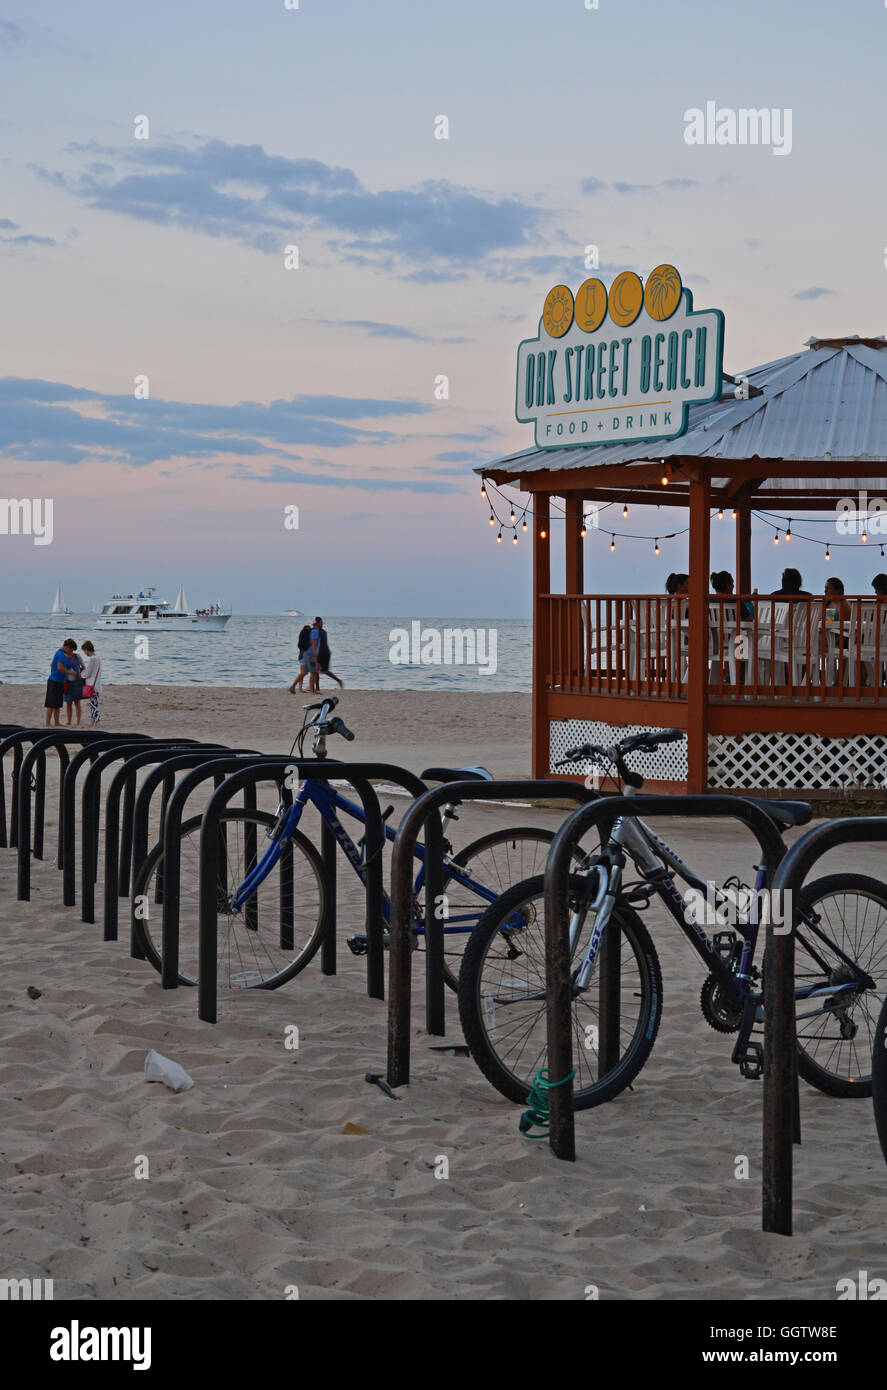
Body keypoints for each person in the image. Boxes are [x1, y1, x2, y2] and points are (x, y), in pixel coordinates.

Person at [44, 639, 78, 727]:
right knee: (51, 704)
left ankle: (56, 722)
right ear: (67, 647)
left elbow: (51, 664)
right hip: (54, 681)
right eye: (71, 650)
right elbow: (59, 667)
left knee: (57, 704)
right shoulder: (61, 654)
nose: (71, 652)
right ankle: (48, 723)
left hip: (59, 681)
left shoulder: (59, 653)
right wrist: (70, 672)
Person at [63, 642, 85, 726]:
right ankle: (69, 721)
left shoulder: (77, 656)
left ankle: (78, 721)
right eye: (71, 649)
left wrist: (80, 673)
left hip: (76, 682)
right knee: (68, 702)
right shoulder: (63, 657)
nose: (71, 651)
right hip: (67, 682)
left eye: (73, 649)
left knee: (77, 702)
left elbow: (84, 667)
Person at [81, 640, 102, 725]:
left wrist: (81, 673)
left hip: (91, 685)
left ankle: (95, 721)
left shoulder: (92, 659)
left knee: (93, 704)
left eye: (84, 651)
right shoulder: (97, 658)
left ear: (87, 649)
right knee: (95, 703)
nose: (85, 653)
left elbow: (87, 674)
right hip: (97, 684)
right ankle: (94, 720)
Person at [289, 624, 313, 694]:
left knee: (302, 673)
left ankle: (300, 688)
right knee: (304, 673)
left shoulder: (302, 640)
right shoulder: (308, 640)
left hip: (301, 657)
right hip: (305, 657)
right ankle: (295, 687)